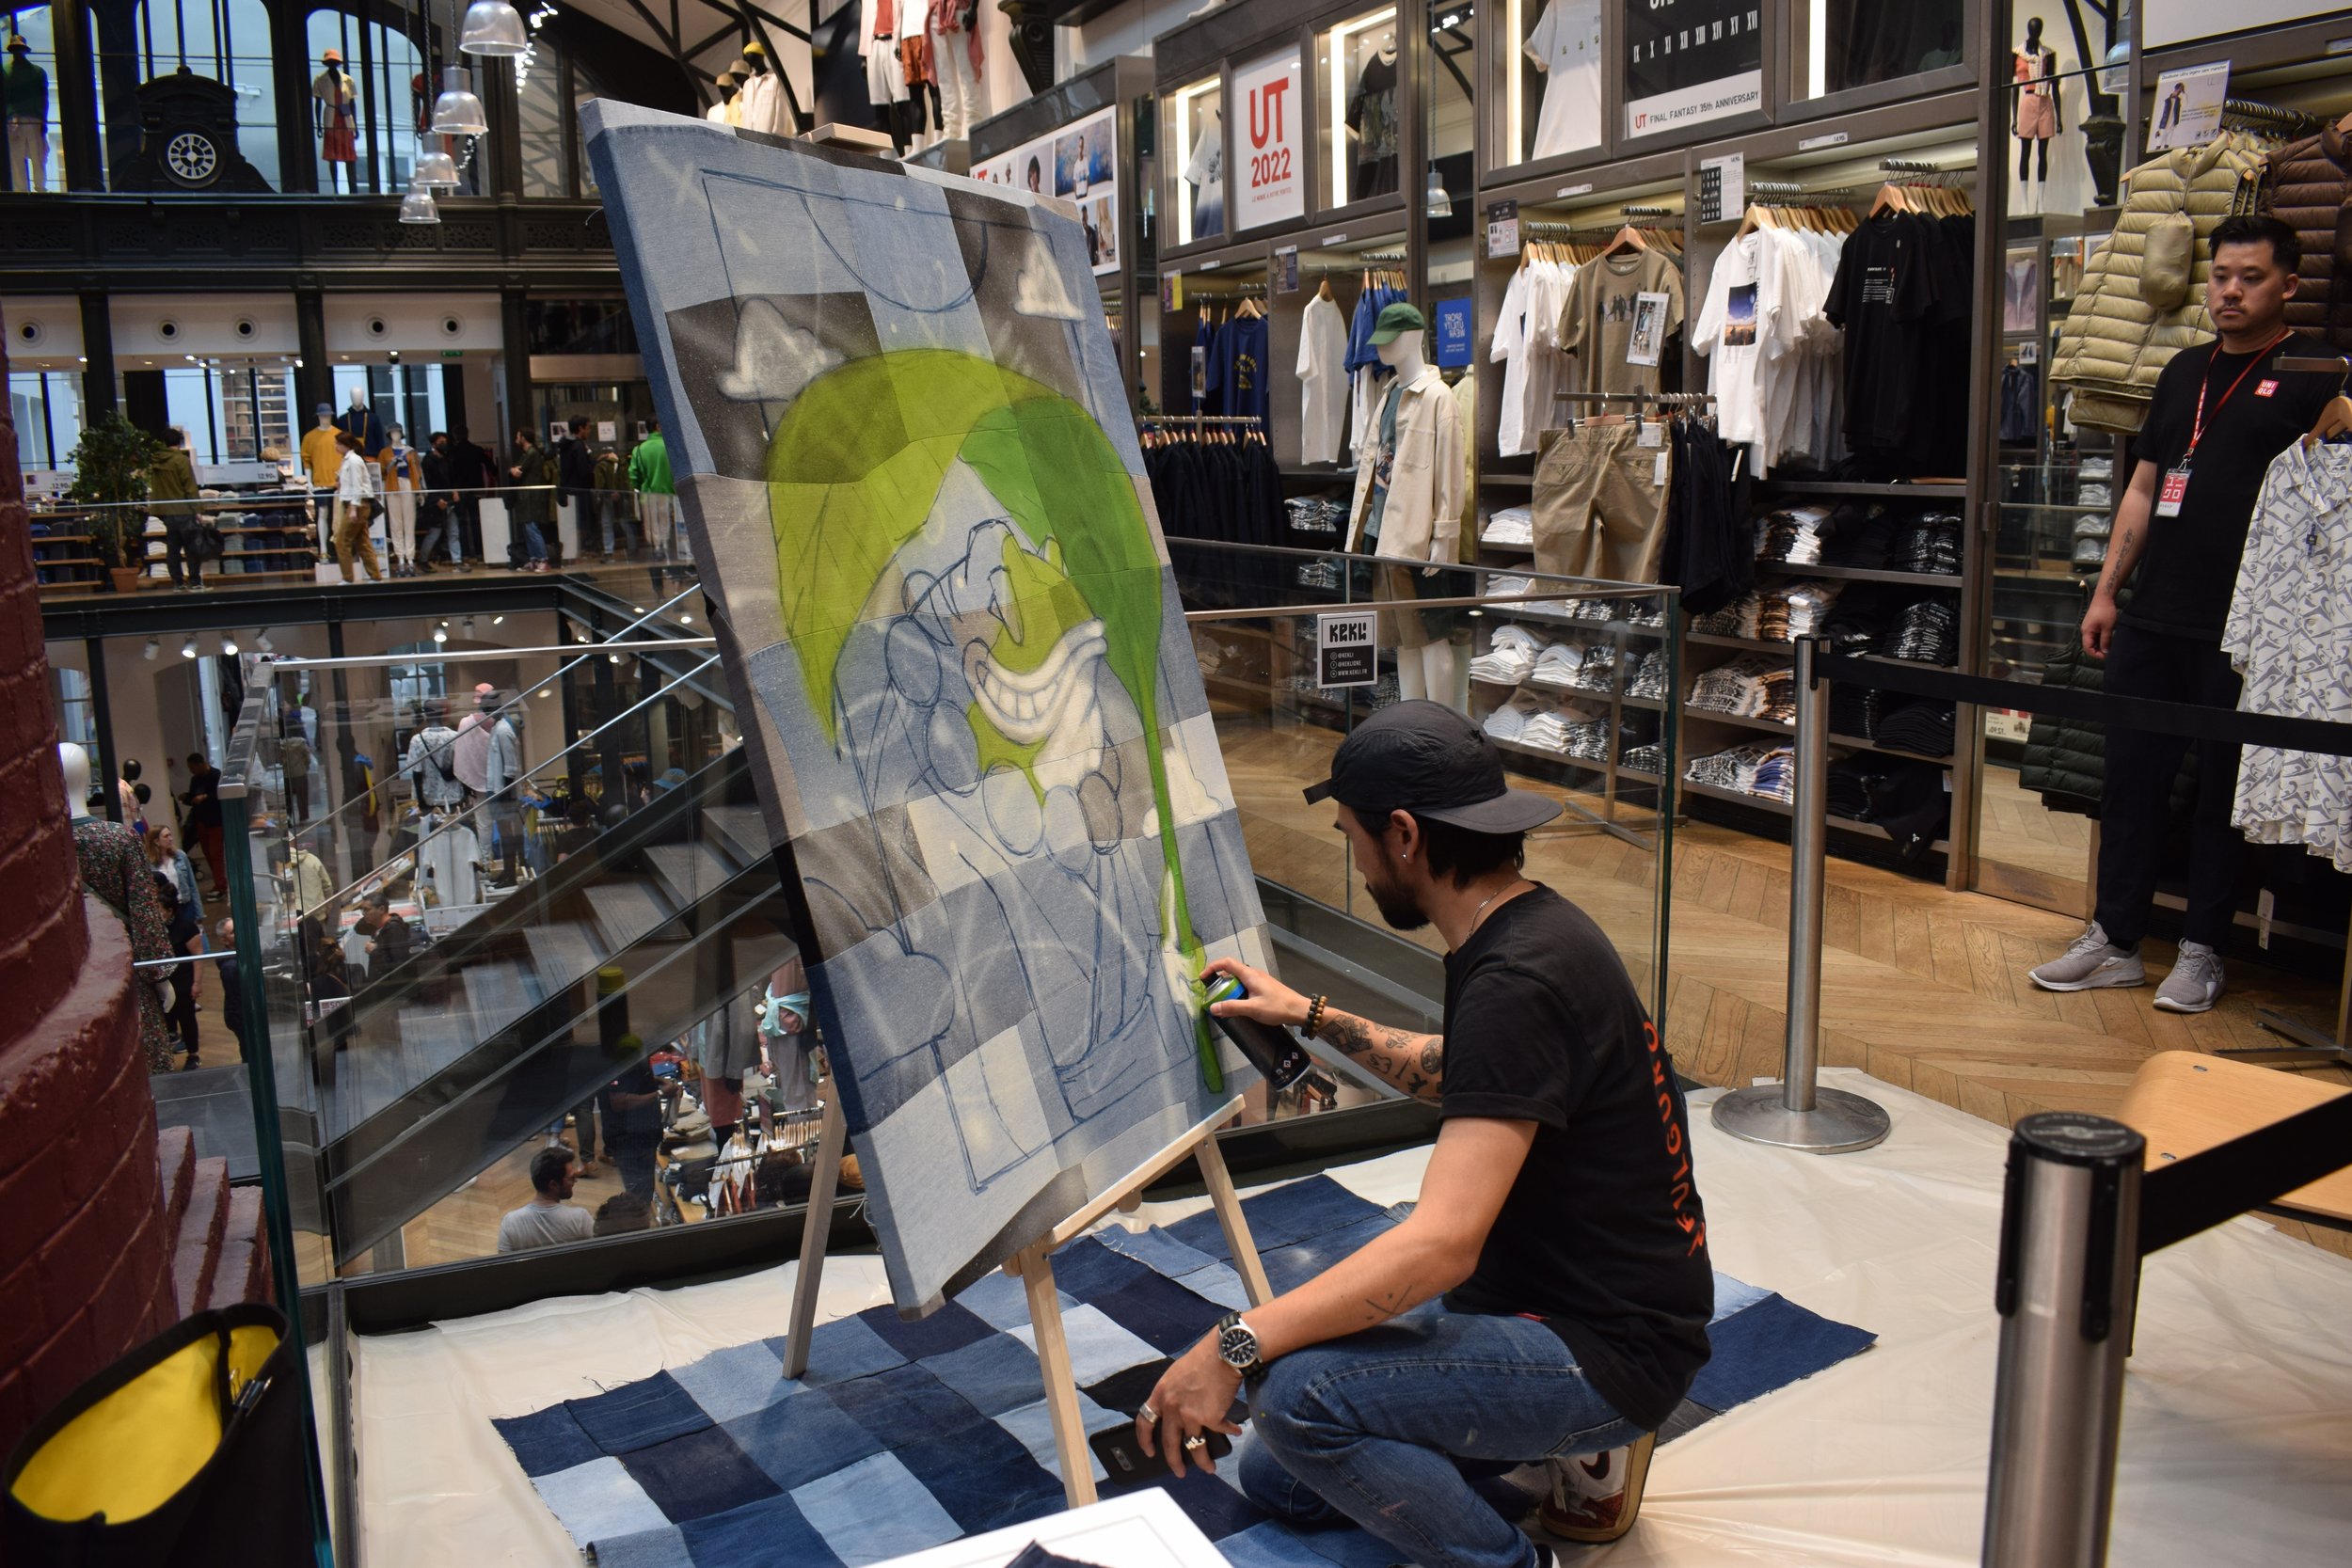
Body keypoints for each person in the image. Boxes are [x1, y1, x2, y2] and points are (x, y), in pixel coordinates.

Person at [1135, 703, 1712, 1563]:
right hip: (1552, 1297)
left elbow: (1441, 1246)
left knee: (1296, 1397)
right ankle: (1552, 1443)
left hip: (1609, 1349)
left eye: (1353, 837)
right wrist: (1311, 1014)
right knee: (1278, 1474)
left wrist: (1231, 1342)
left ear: (1403, 834)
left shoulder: (1517, 977)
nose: (1357, 861)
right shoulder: (1528, 927)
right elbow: (1471, 1068)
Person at [2029, 214, 2340, 1015]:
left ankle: (2204, 949)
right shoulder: (2182, 369)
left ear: (2288, 286)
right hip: (2154, 613)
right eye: (2221, 276)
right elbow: (2145, 483)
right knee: (2130, 782)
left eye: (2250, 278)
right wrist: (2108, 591)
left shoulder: (2316, 373)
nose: (2230, 291)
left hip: (2250, 628)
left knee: (2223, 795)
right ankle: (2115, 938)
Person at [145, 824, 205, 1066]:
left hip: (182, 975)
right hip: (166, 977)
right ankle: (172, 1038)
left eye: (171, 835)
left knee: (186, 1014)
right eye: (166, 835)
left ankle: (193, 1053)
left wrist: (196, 983)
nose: (170, 838)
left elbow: (197, 953)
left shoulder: (180, 857)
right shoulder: (155, 927)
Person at [497, 1146, 594, 1252]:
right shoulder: (580, 1219)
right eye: (571, 1178)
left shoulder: (510, 1222)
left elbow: (503, 1259)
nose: (575, 1181)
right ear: (553, 1185)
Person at [149, 426, 206, 591]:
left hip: (166, 511)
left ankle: (178, 583)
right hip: (183, 510)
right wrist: (197, 509)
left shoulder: (156, 461)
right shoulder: (181, 460)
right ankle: (195, 582)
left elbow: (156, 488)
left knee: (173, 549)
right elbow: (189, 487)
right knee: (191, 548)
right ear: (179, 442)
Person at [333, 427, 383, 582]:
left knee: (342, 541)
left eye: (338, 444)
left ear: (346, 445)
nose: (336, 446)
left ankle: (347, 578)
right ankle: (375, 575)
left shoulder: (353, 461)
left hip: (357, 504)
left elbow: (357, 485)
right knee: (362, 542)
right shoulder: (347, 460)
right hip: (356, 503)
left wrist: (353, 508)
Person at [628, 417, 677, 561]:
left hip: (648, 494)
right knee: (666, 522)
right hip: (669, 493)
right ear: (658, 426)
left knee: (652, 525)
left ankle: (657, 549)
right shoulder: (670, 447)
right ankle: (666, 548)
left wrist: (639, 487)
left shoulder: (639, 450)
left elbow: (633, 475)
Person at [505, 429, 554, 571]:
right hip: (526, 497)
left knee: (531, 528)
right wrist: (512, 470)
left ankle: (543, 559)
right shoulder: (528, 454)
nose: (516, 438)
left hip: (530, 497)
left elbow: (518, 472)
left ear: (524, 438)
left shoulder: (532, 454)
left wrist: (512, 470)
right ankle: (534, 559)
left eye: (518, 436)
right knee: (527, 529)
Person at [180, 752, 227, 897]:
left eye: (192, 768)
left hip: (215, 822)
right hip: (201, 822)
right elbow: (193, 798)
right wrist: (187, 797)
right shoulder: (195, 779)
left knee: (216, 854)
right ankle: (219, 883)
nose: (191, 771)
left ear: (201, 764)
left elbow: (220, 796)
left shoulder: (216, 776)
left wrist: (205, 797)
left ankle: (220, 885)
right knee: (208, 854)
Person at [379, 424, 424, 576]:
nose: (395, 434)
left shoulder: (411, 451)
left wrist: (419, 492)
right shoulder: (384, 453)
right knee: (395, 523)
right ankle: (400, 557)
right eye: (392, 432)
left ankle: (410, 557)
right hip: (392, 487)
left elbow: (417, 472)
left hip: (408, 484)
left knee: (409, 522)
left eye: (397, 432)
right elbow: (381, 472)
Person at [556, 416, 596, 561]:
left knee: (573, 523)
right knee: (583, 522)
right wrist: (593, 464)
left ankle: (573, 552)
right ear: (581, 428)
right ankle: (583, 550)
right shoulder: (579, 446)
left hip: (569, 489)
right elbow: (583, 469)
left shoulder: (565, 445)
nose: (589, 431)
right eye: (588, 427)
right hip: (581, 489)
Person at [417, 430, 458, 571]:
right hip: (436, 502)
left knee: (453, 531)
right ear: (434, 444)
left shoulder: (448, 459)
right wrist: (436, 500)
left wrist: (455, 491)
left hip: (449, 500)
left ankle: (457, 561)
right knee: (435, 532)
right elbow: (427, 484)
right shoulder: (428, 461)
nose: (444, 445)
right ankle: (423, 559)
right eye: (441, 442)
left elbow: (453, 478)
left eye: (445, 442)